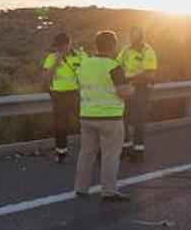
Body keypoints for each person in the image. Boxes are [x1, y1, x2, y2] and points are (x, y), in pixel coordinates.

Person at [74, 30, 133, 201]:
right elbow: (123, 92)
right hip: (110, 117)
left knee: (86, 153)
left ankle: (81, 187)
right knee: (110, 155)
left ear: (97, 45)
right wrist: (132, 89)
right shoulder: (113, 66)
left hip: (86, 115)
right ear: (113, 46)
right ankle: (109, 190)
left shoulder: (85, 64)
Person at [39, 32, 82, 163]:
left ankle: (93, 150)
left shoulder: (79, 56)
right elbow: (44, 76)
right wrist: (56, 63)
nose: (58, 49)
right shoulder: (52, 58)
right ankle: (61, 153)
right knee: (60, 126)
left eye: (61, 46)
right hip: (59, 96)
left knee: (85, 123)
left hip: (75, 94)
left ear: (68, 45)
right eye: (56, 46)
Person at [117, 26, 158, 161]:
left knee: (138, 121)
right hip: (127, 88)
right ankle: (125, 148)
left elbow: (149, 73)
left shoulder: (148, 51)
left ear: (142, 37)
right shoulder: (126, 50)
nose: (134, 40)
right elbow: (117, 65)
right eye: (132, 37)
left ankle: (138, 151)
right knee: (123, 118)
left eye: (137, 37)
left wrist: (129, 78)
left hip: (142, 89)